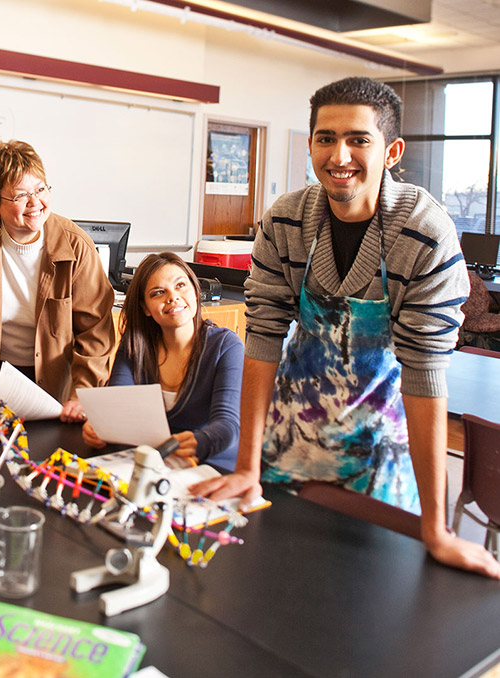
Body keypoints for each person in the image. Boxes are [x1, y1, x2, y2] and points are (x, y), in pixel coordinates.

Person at [192, 76, 500, 579]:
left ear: (392, 150)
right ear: (311, 142)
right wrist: (247, 469)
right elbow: (264, 338)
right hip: (287, 444)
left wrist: (437, 528)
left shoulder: (423, 233)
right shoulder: (285, 222)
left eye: (359, 139)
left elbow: (424, 372)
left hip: (377, 454)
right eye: (326, 138)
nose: (340, 155)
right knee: (272, 588)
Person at [0, 140, 115, 435]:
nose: (35, 203)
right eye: (20, 195)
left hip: (56, 378)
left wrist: (82, 394)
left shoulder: (75, 244)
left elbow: (95, 331)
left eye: (41, 189)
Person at [82, 253, 242, 470]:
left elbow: (227, 424)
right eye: (158, 292)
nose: (173, 297)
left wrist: (201, 441)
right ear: (146, 308)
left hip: (209, 466)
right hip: (150, 463)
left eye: (181, 285)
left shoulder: (226, 345)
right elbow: (119, 405)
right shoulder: (135, 345)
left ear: (196, 292)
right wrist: (101, 427)